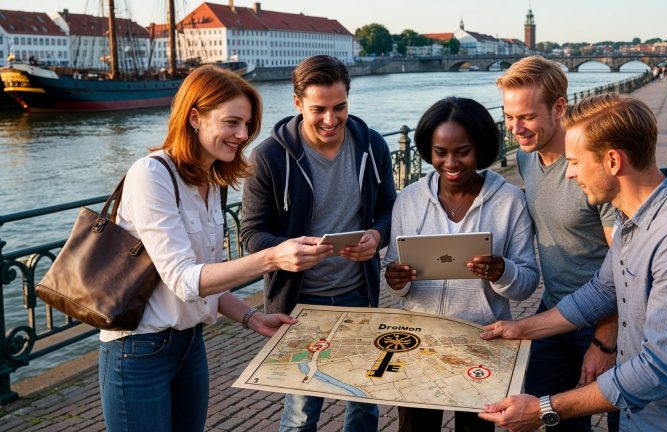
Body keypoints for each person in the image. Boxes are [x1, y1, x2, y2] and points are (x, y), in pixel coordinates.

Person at [479, 94, 667, 432]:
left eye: (575, 161)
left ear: (612, 161)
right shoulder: (631, 217)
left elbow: (659, 370)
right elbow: (600, 292)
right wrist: (521, 329)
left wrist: (545, 409)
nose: (570, 174)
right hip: (644, 420)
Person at [99, 65, 335, 432]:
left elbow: (207, 278)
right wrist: (272, 257)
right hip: (138, 350)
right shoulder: (151, 174)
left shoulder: (212, 181)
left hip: (190, 344)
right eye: (232, 122)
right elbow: (184, 280)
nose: (243, 135)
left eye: (247, 125)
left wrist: (252, 317)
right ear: (195, 117)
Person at [239, 55, 397, 432]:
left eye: (339, 107)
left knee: (364, 402)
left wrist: (377, 236)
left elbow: (390, 208)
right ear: (298, 103)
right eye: (319, 110)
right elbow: (250, 234)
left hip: (359, 294)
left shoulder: (372, 145)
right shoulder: (268, 157)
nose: (331, 119)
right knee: (300, 415)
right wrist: (284, 252)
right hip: (298, 304)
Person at [383, 97, 540, 432]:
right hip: (419, 344)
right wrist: (396, 280)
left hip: (481, 343)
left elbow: (527, 283)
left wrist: (503, 271)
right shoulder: (408, 200)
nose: (451, 163)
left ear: (480, 148)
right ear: (428, 150)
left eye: (463, 151)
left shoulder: (510, 201)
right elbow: (394, 275)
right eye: (440, 152)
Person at [496, 56, 618, 432]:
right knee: (549, 417)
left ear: (559, 107)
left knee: (622, 417)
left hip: (603, 321)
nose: (516, 128)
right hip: (553, 312)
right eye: (509, 116)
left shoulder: (593, 166)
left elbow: (623, 262)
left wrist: (606, 340)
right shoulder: (526, 158)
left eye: (527, 117)